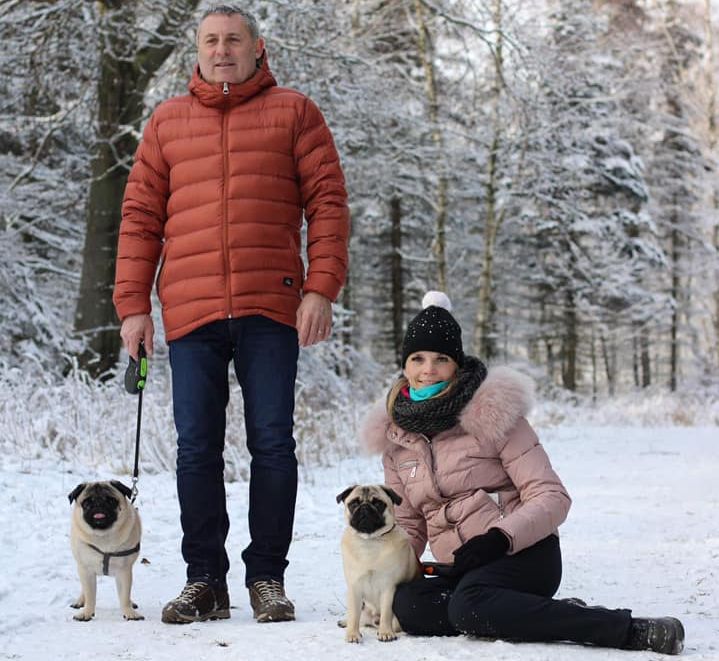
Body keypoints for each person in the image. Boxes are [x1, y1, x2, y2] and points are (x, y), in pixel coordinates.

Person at [113, 5, 349, 624]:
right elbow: (140, 217)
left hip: (271, 304)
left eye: (233, 40)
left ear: (257, 47)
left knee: (273, 444)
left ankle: (267, 577)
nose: (222, 50)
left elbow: (327, 203)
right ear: (198, 51)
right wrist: (133, 306)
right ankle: (205, 581)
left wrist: (321, 288)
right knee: (196, 450)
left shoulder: (295, 112)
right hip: (190, 311)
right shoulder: (167, 122)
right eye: (211, 41)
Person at [360, 291, 685, 655]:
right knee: (407, 605)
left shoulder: (493, 415)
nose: (428, 370)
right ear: (404, 365)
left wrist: (499, 538)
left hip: (524, 553)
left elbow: (553, 497)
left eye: (441, 359)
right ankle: (528, 612)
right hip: (462, 568)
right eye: (417, 358)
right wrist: (383, 571)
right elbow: (408, 523)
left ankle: (626, 630)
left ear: (457, 365)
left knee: (469, 607)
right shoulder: (397, 439)